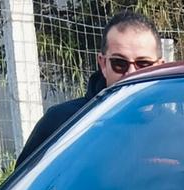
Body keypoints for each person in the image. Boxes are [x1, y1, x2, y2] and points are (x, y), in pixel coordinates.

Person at [15, 10, 164, 167]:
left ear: (160, 67)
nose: (131, 73)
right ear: (103, 64)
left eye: (144, 64)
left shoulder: (179, 129)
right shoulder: (62, 123)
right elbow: (22, 189)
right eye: (119, 63)